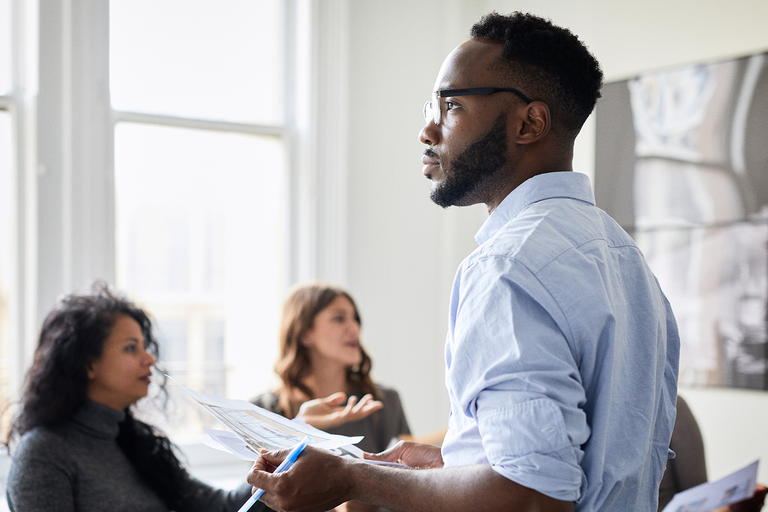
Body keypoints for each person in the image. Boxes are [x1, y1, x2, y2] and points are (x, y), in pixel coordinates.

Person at [245, 11, 679, 512]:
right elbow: (570, 470)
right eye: (430, 106)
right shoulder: (626, 260)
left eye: (451, 106)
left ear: (529, 123)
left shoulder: (506, 266)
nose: (428, 129)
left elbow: (531, 499)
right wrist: (461, 464)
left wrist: (353, 479)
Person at [4, 281, 264, 512]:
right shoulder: (43, 453)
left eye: (144, 346)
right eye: (130, 348)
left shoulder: (136, 444)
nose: (149, 359)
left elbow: (222, 506)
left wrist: (278, 464)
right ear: (87, 364)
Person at [251, 282, 411, 455]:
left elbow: (406, 474)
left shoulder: (383, 402)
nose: (355, 328)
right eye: (339, 318)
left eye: (355, 319)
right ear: (305, 334)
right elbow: (262, 480)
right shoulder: (262, 411)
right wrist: (301, 428)